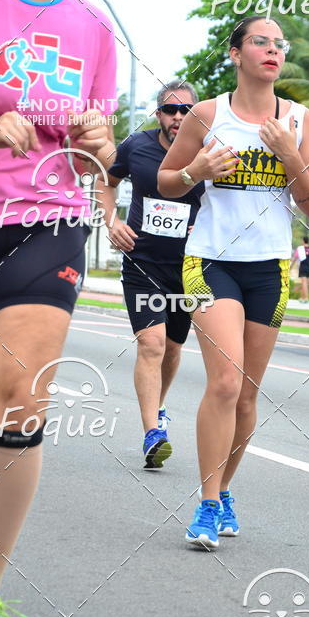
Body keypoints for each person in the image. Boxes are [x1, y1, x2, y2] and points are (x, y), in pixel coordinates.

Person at [0, 0, 117, 617]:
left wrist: (97, 140)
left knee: (17, 392)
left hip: (47, 219)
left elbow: (97, 147)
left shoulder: (94, 28)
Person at [158, 16, 309, 549]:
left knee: (248, 397)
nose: (273, 50)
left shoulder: (300, 121)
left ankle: (224, 490)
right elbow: (166, 180)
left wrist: (289, 154)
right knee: (225, 383)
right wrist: (197, 171)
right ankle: (207, 505)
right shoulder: (208, 114)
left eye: (280, 44)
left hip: (270, 267)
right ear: (235, 53)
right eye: (260, 41)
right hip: (209, 259)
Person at [97, 80, 203, 468]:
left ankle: (158, 409)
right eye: (171, 110)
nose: (178, 117)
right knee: (152, 344)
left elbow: (226, 204)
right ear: (158, 114)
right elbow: (105, 182)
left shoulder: (209, 150)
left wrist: (206, 228)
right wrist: (111, 221)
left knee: (173, 348)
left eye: (186, 110)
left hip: (191, 267)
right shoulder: (135, 146)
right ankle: (151, 434)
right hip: (142, 262)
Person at [291, 235, 309, 303]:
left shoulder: (300, 249)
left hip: (303, 267)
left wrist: (290, 267)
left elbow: (294, 259)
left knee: (304, 283)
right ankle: (302, 297)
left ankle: (306, 298)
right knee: (305, 283)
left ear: (303, 241)